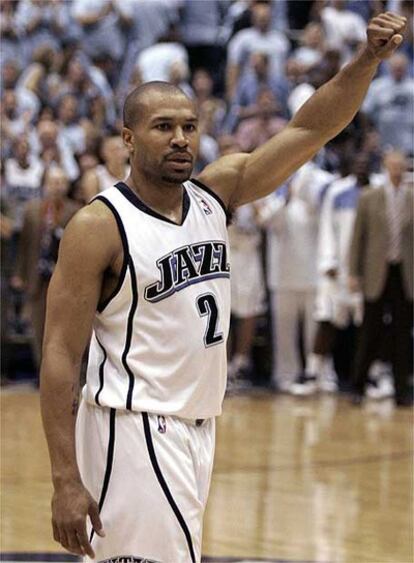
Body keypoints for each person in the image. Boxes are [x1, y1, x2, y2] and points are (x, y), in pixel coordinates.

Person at [40, 12, 406, 561]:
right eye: (163, 127)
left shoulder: (217, 195)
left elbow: (311, 129)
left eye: (189, 126)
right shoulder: (99, 226)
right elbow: (59, 355)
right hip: (134, 426)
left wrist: (365, 62)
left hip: (197, 425)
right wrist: (65, 479)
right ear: (127, 138)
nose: (181, 138)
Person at [349, 150, 413, 406]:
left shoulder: (411, 197)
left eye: (401, 165)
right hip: (376, 270)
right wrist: (354, 272)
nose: (397, 168)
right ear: (386, 166)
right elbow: (358, 238)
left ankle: (401, 390)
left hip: (405, 272)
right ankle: (358, 385)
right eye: (393, 164)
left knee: (402, 332)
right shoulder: (370, 197)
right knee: (369, 330)